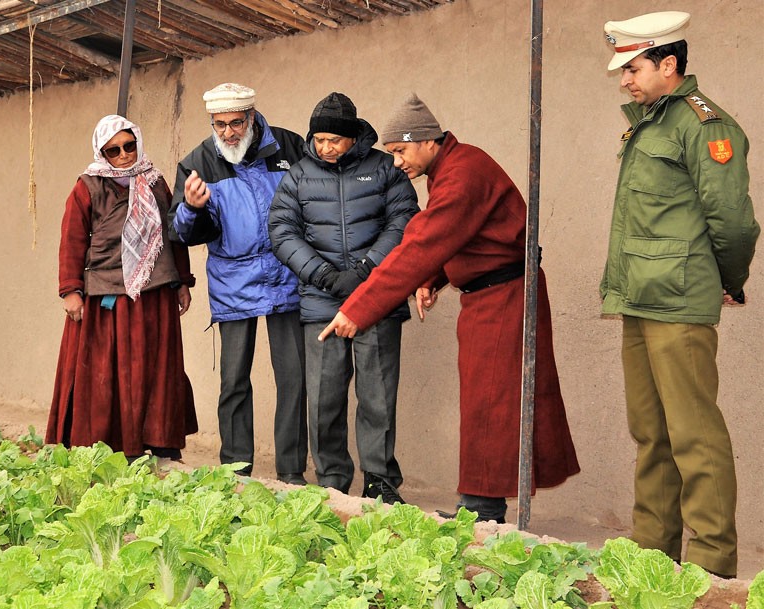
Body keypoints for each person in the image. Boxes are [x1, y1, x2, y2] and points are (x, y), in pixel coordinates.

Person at [318, 93, 580, 523]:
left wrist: (357, 309)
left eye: (400, 151)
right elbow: (462, 239)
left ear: (426, 141)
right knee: (486, 403)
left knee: (493, 402)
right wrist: (432, 278)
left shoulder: (463, 174)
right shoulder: (452, 168)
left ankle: (479, 508)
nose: (397, 162)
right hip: (487, 298)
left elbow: (422, 242)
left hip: (507, 297)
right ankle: (481, 504)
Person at [601, 12, 759, 578]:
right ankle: (653, 557)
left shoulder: (704, 125)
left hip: (679, 301)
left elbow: (734, 223)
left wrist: (729, 280)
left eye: (634, 67)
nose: (625, 79)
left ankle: (713, 565)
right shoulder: (650, 123)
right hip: (639, 298)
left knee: (694, 435)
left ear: (670, 65)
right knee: (651, 434)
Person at [269, 93, 419, 503]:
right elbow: (282, 231)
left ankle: (380, 480)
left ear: (354, 138)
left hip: (377, 299)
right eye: (318, 139)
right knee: (324, 396)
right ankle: (332, 481)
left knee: (378, 394)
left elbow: (405, 218)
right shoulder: (298, 176)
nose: (325, 148)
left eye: (334, 139)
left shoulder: (387, 169)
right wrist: (326, 276)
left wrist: (367, 269)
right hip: (321, 302)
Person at [168, 83, 308, 483]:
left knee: (294, 378)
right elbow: (183, 231)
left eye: (235, 123)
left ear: (250, 117)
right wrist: (193, 209)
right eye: (219, 124)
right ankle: (235, 471)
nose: (228, 132)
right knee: (233, 380)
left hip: (286, 275)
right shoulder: (197, 161)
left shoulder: (289, 148)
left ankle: (292, 472)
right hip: (233, 282)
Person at [46, 114, 198, 460]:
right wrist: (71, 290)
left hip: (155, 291)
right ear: (103, 153)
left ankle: (161, 444)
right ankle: (105, 447)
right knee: (106, 374)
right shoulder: (88, 186)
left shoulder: (155, 182)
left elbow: (172, 234)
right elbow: (71, 239)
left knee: (158, 369)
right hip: (107, 294)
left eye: (129, 146)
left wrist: (182, 282)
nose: (124, 155)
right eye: (114, 150)